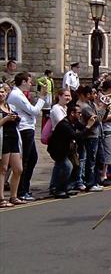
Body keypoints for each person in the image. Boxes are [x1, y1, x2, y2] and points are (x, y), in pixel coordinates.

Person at [8, 72, 47, 201]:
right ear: (23, 82)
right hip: (24, 130)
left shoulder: (20, 94)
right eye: (29, 82)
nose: (31, 85)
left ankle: (24, 188)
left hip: (28, 129)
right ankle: (21, 190)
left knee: (32, 159)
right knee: (25, 160)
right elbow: (34, 111)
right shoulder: (16, 95)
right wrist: (42, 97)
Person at [47, 102, 97, 199]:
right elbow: (76, 136)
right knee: (67, 167)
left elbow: (82, 129)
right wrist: (88, 126)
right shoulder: (64, 124)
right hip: (57, 150)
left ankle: (59, 188)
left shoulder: (73, 122)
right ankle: (59, 189)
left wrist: (89, 123)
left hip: (66, 150)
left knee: (67, 166)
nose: (80, 115)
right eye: (79, 113)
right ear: (72, 113)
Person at [0, 83, 24, 207]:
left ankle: (13, 196)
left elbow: (18, 120)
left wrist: (15, 117)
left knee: (18, 169)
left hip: (14, 138)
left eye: (3, 91)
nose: (1, 94)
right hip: (3, 140)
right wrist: (6, 119)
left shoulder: (10, 106)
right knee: (3, 169)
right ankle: (1, 198)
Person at [76, 85, 102, 192]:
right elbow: (97, 120)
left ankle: (94, 181)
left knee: (94, 160)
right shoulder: (85, 107)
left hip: (95, 135)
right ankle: (90, 183)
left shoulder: (90, 104)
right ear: (88, 95)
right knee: (90, 161)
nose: (95, 95)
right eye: (93, 93)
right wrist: (104, 107)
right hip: (91, 136)